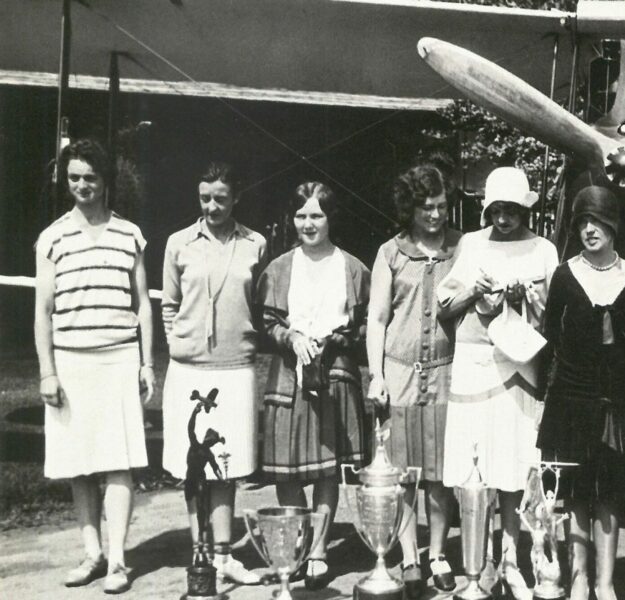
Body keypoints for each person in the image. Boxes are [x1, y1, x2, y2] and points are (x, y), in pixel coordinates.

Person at [33, 139, 155, 594]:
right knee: (79, 465)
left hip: (119, 358)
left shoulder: (130, 235)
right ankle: (91, 553)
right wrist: (47, 371)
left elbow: (143, 304)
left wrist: (146, 363)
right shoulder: (51, 238)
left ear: (106, 181)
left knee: (118, 462)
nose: (82, 186)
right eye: (74, 178)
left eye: (90, 177)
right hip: (71, 362)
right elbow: (42, 311)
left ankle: (120, 561)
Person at [437, 166, 558, 599]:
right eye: (496, 210)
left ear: (525, 209)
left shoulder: (544, 249)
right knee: (477, 464)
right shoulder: (470, 244)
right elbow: (445, 306)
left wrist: (528, 295)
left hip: (521, 363)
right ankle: (480, 560)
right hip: (475, 361)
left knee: (515, 462)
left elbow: (555, 313)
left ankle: (512, 556)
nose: (503, 219)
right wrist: (475, 289)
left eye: (511, 210)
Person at [537, 186, 625, 600]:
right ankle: (579, 579)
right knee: (573, 496)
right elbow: (550, 339)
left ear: (612, 226)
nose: (590, 230)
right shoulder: (565, 275)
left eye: (598, 222)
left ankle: (605, 583)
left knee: (609, 496)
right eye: (583, 223)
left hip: (615, 403)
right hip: (570, 400)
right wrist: (541, 400)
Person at [257, 182, 371, 589]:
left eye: (317, 215)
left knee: (326, 466)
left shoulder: (353, 268)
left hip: (335, 373)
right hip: (290, 375)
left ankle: (319, 550)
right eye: (302, 215)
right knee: (286, 469)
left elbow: (364, 327)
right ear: (293, 219)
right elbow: (267, 321)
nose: (308, 223)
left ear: (330, 218)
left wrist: (336, 340)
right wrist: (292, 338)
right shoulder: (279, 268)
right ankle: (299, 544)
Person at [160, 162, 266, 585]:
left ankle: (224, 556)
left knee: (226, 463)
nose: (212, 206)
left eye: (221, 198)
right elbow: (168, 304)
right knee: (193, 468)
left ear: (236, 197)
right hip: (188, 371)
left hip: (236, 369)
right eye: (205, 197)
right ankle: (199, 553)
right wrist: (177, 344)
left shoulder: (255, 243)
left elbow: (260, 304)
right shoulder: (177, 243)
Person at [365, 164, 462, 596]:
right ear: (411, 207)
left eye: (441, 206)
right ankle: (408, 555)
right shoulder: (391, 252)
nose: (435, 215)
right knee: (403, 474)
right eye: (426, 207)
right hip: (400, 374)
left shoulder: (463, 248)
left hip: (447, 373)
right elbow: (378, 318)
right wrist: (376, 376)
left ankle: (438, 553)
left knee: (440, 475)